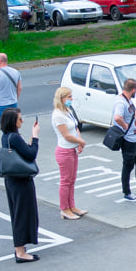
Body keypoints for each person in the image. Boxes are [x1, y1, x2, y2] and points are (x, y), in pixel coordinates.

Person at [0, 108, 41, 262]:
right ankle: (20, 252)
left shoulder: (6, 136)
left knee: (18, 213)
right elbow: (31, 154)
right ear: (12, 121)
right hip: (21, 181)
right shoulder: (15, 138)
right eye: (19, 119)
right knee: (22, 214)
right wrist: (35, 136)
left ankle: (20, 249)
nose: (22, 121)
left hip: (12, 180)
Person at [51, 87, 87, 220]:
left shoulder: (67, 111)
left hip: (72, 150)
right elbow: (66, 135)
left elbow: (75, 127)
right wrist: (81, 141)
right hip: (64, 151)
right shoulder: (58, 116)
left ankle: (72, 206)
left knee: (72, 180)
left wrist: (78, 142)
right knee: (65, 181)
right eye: (69, 97)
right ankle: (64, 208)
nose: (71, 99)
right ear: (61, 99)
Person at [0, 53, 22, 120]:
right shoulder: (16, 72)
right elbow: (19, 88)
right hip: (13, 103)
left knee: (5, 126)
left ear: (0, 61)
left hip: (1, 105)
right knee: (13, 125)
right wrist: (15, 98)